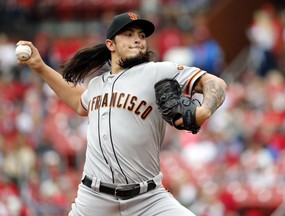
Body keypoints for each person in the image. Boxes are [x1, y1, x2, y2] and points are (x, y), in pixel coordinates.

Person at [17, 12, 227, 216]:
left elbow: (215, 83)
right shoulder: (97, 84)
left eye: (141, 36)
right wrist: (40, 67)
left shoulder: (157, 72)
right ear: (111, 44)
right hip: (94, 199)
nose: (137, 40)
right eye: (128, 35)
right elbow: (79, 102)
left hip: (148, 199)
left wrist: (202, 112)